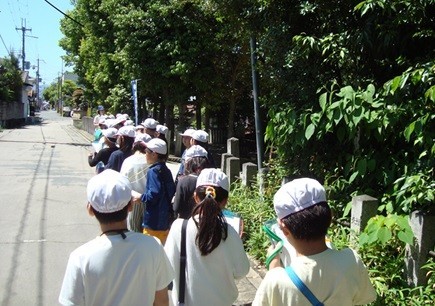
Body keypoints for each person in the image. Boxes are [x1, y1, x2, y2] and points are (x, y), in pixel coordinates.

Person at [252, 178, 376, 306]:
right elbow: (363, 298)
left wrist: (273, 266)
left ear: (284, 229)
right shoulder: (352, 261)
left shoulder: (275, 280)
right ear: (330, 217)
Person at [58, 170, 174, 306]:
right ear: (130, 206)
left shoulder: (79, 258)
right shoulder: (153, 246)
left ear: (90, 209)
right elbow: (162, 301)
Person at [164, 168, 250, 306]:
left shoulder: (179, 228)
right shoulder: (230, 233)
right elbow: (242, 271)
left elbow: (167, 268)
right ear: (225, 201)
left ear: (195, 197)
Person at [132, 138, 176, 244]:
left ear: (154, 154)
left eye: (146, 152)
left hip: (153, 221)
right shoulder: (166, 170)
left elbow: (154, 194)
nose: (145, 154)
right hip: (165, 219)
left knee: (150, 252)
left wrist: (141, 197)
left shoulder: (153, 171)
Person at [120, 133, 152, 232]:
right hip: (149, 199)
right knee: (147, 231)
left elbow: (122, 183)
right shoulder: (151, 161)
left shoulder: (127, 161)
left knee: (133, 230)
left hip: (133, 200)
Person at [173, 145, 210, 219]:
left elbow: (176, 208)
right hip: (206, 223)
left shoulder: (184, 181)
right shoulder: (211, 180)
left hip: (186, 223)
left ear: (189, 162)